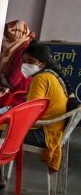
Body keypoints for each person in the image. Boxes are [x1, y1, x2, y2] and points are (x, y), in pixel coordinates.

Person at [21, 42, 70, 173]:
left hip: (43, 133)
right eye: (24, 61)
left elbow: (31, 112)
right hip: (55, 131)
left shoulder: (40, 79)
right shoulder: (52, 75)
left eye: (31, 61)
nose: (25, 65)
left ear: (41, 64)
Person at [0, 20, 35, 110]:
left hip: (17, 86)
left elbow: (14, 78)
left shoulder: (24, 49)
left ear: (20, 33)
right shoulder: (13, 44)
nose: (8, 37)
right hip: (10, 82)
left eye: (12, 34)